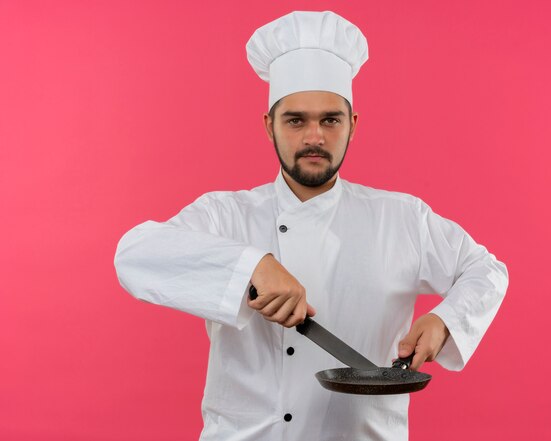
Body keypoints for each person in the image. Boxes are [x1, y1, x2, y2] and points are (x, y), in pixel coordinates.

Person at [114, 10, 508, 441]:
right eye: (296, 119)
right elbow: (134, 254)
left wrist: (446, 321)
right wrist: (252, 266)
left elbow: (486, 270)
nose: (314, 137)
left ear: (353, 126)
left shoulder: (402, 218)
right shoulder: (225, 216)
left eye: (331, 120)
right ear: (269, 126)